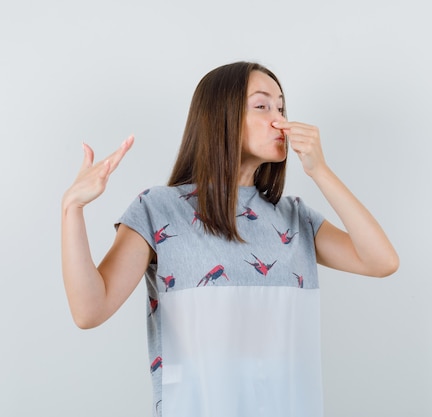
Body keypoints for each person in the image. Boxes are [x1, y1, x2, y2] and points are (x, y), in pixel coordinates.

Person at [61, 61, 399, 417]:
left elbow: (381, 261)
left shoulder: (294, 217)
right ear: (221, 116)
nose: (279, 120)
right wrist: (72, 210)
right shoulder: (159, 209)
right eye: (262, 105)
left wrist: (320, 170)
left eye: (281, 107)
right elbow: (89, 310)